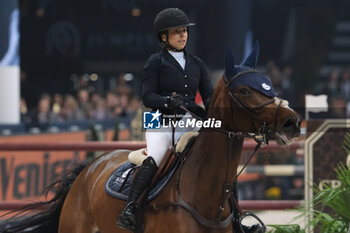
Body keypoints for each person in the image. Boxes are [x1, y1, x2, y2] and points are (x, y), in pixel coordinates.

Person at [117, 8, 262, 233]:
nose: (183, 35)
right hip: (159, 118)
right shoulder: (155, 61)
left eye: (184, 31)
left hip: (189, 119)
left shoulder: (197, 64)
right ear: (164, 36)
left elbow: (209, 99)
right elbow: (147, 96)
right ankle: (130, 209)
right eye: (177, 32)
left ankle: (236, 219)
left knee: (221, 160)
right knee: (155, 157)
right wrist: (166, 101)